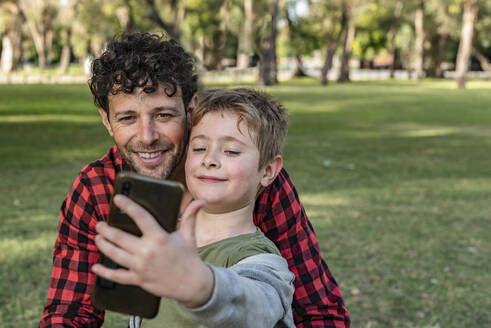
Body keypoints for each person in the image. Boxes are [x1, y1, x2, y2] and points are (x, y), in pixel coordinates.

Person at [39, 32, 350, 328]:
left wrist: (202, 287)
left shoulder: (242, 179)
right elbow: (70, 313)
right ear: (107, 120)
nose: (147, 137)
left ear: (190, 109)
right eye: (127, 118)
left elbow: (306, 306)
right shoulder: (98, 188)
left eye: (163, 115)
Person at [93, 88, 296, 327]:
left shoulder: (260, 259)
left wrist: (202, 287)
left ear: (269, 170)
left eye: (231, 151)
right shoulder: (163, 238)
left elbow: (258, 303)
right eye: (199, 148)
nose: (209, 159)